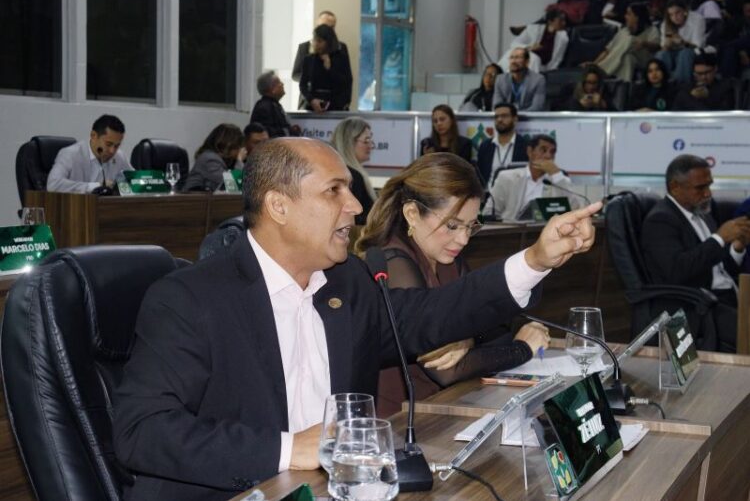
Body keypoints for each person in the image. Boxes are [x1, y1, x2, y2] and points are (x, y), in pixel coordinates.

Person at [113, 136, 601, 500]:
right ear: (279, 206)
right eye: (335, 191)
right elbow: (142, 432)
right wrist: (289, 449)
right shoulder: (188, 299)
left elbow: (430, 314)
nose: (357, 205)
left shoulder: (346, 283)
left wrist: (535, 260)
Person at [355, 153, 550, 417]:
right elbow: (445, 371)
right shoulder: (393, 262)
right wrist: (523, 349)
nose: (463, 239)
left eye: (471, 226)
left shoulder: (447, 258)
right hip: (397, 422)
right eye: (452, 226)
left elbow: (491, 327)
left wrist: (466, 339)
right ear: (412, 213)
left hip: (440, 408)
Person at [641, 155, 750, 352]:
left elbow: (721, 268)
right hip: (700, 305)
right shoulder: (661, 220)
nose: (708, 193)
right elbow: (677, 271)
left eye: (709, 185)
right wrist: (719, 238)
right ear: (675, 187)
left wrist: (738, 246)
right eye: (700, 188)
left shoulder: (703, 214)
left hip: (730, 298)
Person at [483, 134, 583, 221]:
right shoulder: (507, 178)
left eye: (552, 152)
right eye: (543, 150)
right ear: (530, 151)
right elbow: (488, 213)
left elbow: (576, 210)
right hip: (512, 231)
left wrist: (556, 174)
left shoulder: (557, 181)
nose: (548, 156)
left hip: (545, 232)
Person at [47, 114, 132, 194]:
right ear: (93, 135)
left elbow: (136, 182)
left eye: (117, 146)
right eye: (108, 144)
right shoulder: (70, 154)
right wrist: (96, 186)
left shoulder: (119, 157)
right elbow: (53, 184)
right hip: (75, 204)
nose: (112, 151)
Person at [587, 2, 661, 82]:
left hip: (644, 61)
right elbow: (608, 51)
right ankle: (624, 86)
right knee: (627, 59)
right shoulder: (623, 31)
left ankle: (601, 71)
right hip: (630, 59)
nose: (625, 16)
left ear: (637, 17)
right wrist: (595, 63)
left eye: (629, 14)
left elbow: (657, 46)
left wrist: (645, 44)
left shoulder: (652, 30)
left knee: (630, 40)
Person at [330, 117, 376, 225]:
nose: (371, 146)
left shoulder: (337, 173)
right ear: (349, 142)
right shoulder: (352, 177)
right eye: (366, 140)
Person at [299, 24, 353, 112]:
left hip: (336, 105)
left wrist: (329, 68)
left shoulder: (340, 58)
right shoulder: (309, 59)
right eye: (315, 40)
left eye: (320, 41)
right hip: (313, 105)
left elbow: (345, 83)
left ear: (329, 42)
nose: (316, 44)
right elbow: (303, 85)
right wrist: (311, 99)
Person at [475, 103, 529, 190]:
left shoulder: (525, 146)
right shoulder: (485, 146)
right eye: (496, 117)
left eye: (504, 116)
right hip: (489, 194)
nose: (499, 120)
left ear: (515, 119)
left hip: (515, 193)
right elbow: (479, 175)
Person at [655, 0, 706, 84]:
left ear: (685, 11)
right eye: (671, 14)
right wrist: (667, 45)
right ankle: (661, 85)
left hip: (692, 51)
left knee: (685, 53)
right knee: (661, 54)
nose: (674, 17)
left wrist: (682, 42)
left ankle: (681, 86)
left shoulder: (697, 19)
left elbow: (698, 46)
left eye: (677, 13)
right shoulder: (666, 23)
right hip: (673, 52)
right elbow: (663, 48)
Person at [499, 10, 569, 73]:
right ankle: (498, 72)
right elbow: (514, 44)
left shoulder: (563, 38)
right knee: (510, 53)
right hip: (525, 58)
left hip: (539, 65)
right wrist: (529, 47)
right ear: (550, 21)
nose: (564, 23)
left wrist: (550, 71)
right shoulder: (533, 29)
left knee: (533, 58)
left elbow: (558, 58)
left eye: (564, 20)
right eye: (561, 20)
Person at [182, 124, 246, 192]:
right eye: (238, 146)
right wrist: (239, 161)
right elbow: (232, 186)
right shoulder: (210, 159)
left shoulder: (222, 159)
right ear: (229, 146)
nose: (240, 150)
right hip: (194, 197)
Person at [291, 10, 350, 83]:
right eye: (323, 26)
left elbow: (347, 77)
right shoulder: (304, 47)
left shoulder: (341, 47)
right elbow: (295, 75)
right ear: (317, 25)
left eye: (331, 27)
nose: (326, 31)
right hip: (310, 89)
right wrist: (312, 77)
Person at [249, 71, 300, 138]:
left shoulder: (273, 105)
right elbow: (268, 132)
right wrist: (288, 131)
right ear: (272, 89)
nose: (282, 84)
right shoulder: (264, 107)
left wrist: (291, 130)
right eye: (279, 82)